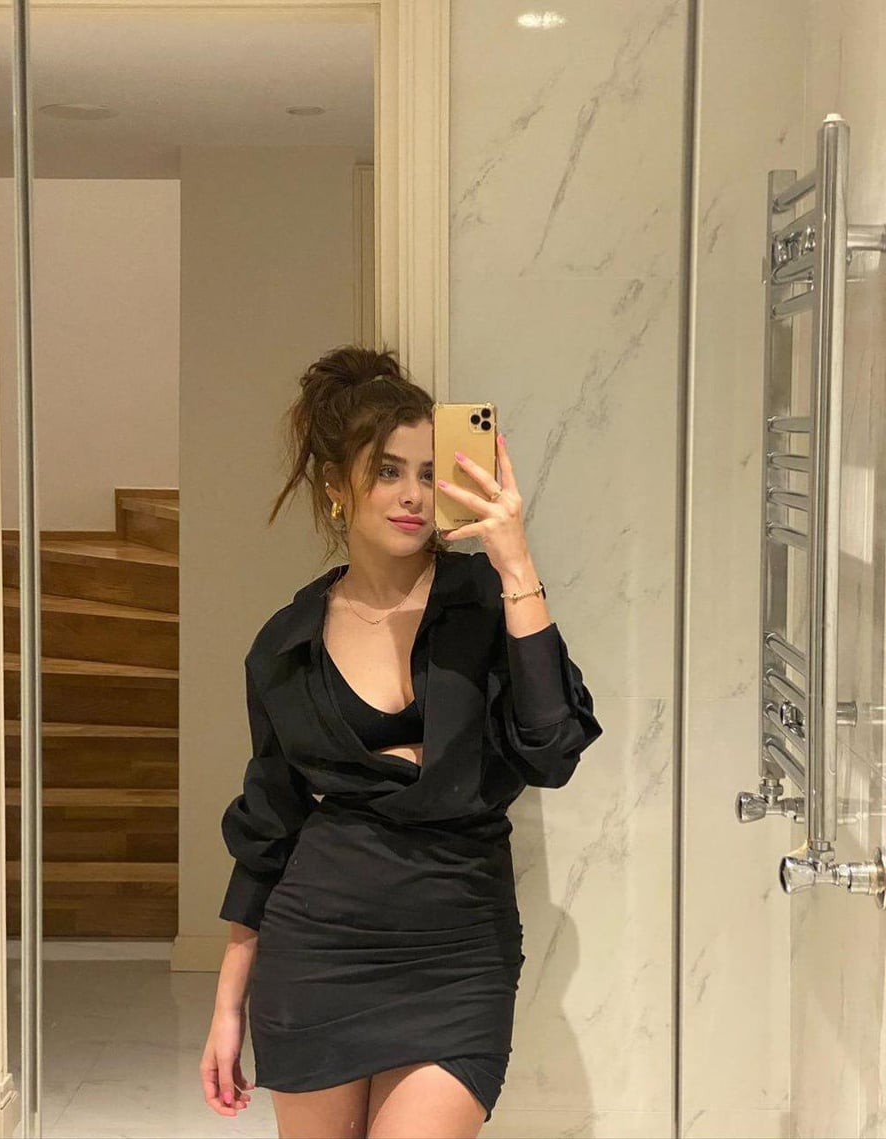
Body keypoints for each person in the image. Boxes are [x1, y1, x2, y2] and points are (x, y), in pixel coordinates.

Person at [199, 346, 602, 1139]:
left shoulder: (486, 602)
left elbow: (553, 747)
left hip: (459, 952)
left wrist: (515, 559)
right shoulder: (286, 646)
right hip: (316, 952)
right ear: (336, 487)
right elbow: (270, 824)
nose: (413, 494)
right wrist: (226, 1005)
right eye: (387, 471)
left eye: (426, 472)